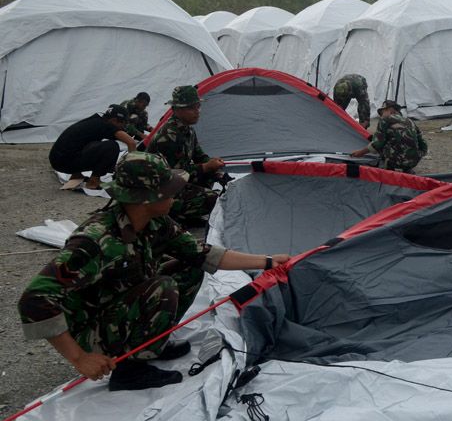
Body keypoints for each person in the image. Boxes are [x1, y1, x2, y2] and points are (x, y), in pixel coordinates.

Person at [18, 152, 290, 391]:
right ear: (145, 198)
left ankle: (150, 345)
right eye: (168, 189)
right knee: (163, 288)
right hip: (91, 329)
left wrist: (268, 262)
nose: (175, 194)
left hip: (115, 309)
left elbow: (202, 254)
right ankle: (131, 371)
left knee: (188, 268)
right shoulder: (96, 241)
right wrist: (79, 358)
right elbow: (35, 299)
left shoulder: (154, 221)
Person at [146, 85, 224, 226]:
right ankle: (171, 214)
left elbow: (200, 156)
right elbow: (176, 175)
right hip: (159, 189)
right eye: (191, 108)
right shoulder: (169, 136)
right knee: (213, 198)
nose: (197, 112)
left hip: (174, 183)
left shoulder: (187, 130)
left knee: (210, 173)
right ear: (177, 110)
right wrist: (206, 167)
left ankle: (186, 214)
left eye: (197, 107)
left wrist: (216, 170)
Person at [49, 104, 137, 190]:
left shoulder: (95, 121)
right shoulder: (107, 125)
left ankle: (76, 175)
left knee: (92, 144)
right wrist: (132, 170)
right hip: (64, 163)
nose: (123, 127)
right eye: (123, 123)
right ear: (114, 120)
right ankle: (93, 182)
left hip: (56, 159)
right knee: (111, 146)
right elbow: (131, 143)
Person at [351, 100, 427, 173]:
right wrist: (416, 155)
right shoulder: (410, 121)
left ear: (390, 110)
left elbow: (377, 144)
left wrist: (360, 153)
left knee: (380, 142)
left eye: (382, 112)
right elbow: (423, 144)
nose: (381, 116)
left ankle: (390, 167)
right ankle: (406, 168)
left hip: (394, 161)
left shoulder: (385, 120)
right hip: (413, 162)